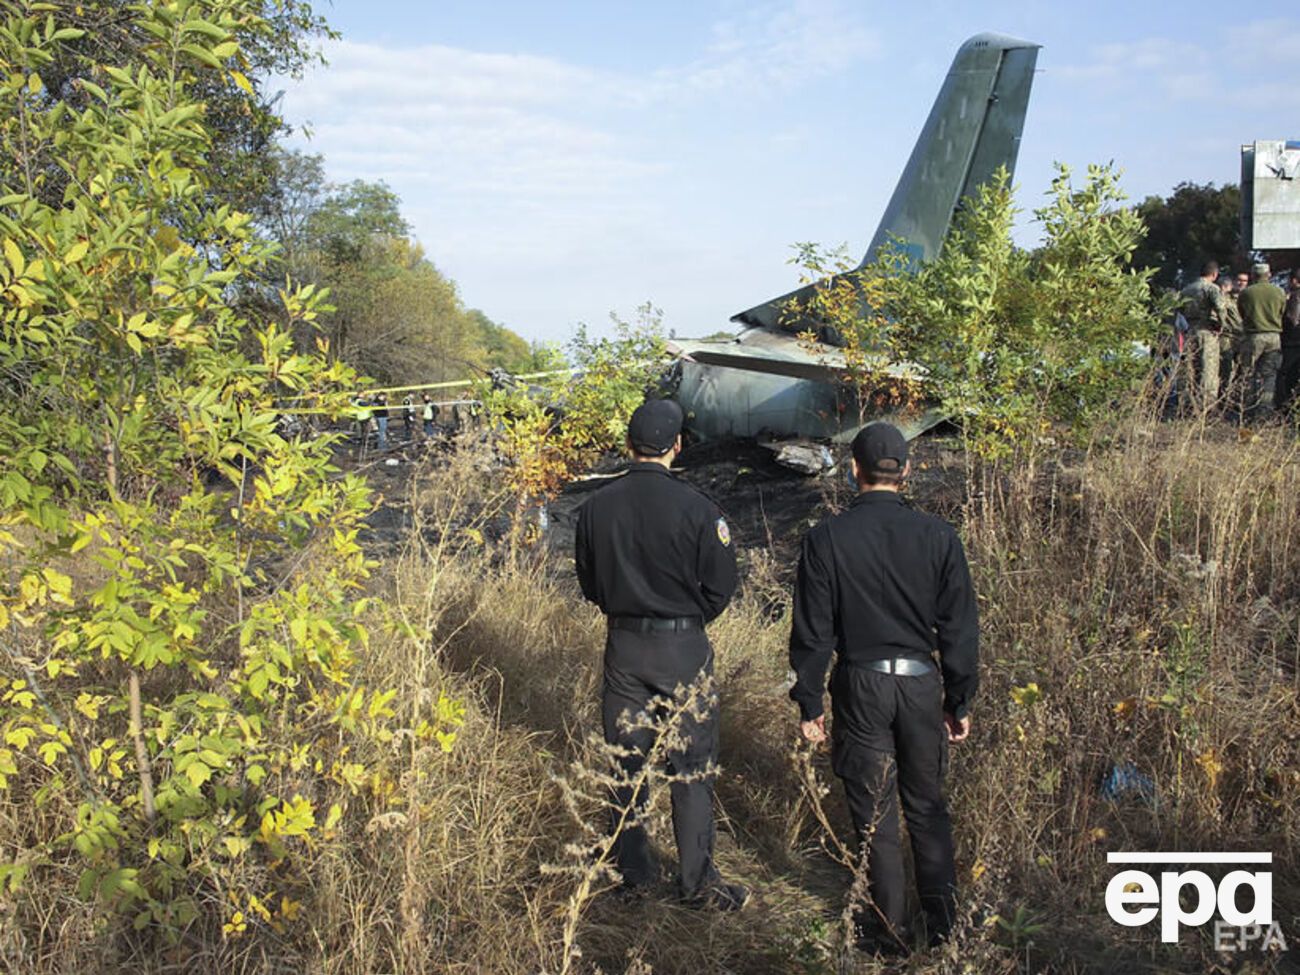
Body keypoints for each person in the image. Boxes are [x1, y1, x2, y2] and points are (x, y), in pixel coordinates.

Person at [789, 422, 978, 953]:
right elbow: (960, 629)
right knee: (927, 807)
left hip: (860, 685)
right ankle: (945, 931)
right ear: (908, 472)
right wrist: (959, 699)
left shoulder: (826, 538)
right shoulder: (939, 537)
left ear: (854, 471)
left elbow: (812, 632)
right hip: (921, 684)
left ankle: (887, 934)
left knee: (875, 812)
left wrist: (809, 700)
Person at [574, 398, 748, 911]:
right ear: (678, 446)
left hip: (624, 647)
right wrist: (687, 623)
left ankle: (635, 875)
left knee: (627, 765)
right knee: (691, 768)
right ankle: (697, 883)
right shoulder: (699, 509)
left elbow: (589, 584)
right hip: (683, 649)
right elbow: (721, 587)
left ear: (629, 445)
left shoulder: (594, 507)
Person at [1236, 263, 1286, 417]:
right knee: (1269, 375)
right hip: (1274, 336)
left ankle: (1249, 409)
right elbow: (1282, 312)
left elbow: (1241, 313)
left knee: (1248, 373)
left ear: (1252, 275)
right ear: (1269, 274)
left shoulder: (1246, 293)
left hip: (1253, 336)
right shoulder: (1279, 292)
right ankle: (1265, 409)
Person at [1177, 260, 1226, 407]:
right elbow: (1220, 308)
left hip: (1189, 331)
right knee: (1208, 368)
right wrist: (1221, 324)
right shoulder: (1211, 288)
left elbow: (1179, 310)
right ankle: (1206, 404)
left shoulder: (1186, 289)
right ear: (1214, 274)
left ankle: (1186, 402)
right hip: (1206, 331)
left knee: (1190, 368)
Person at [1277, 269, 1300, 413]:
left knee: (1287, 375)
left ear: (1294, 281)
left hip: (1293, 342)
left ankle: (1288, 408)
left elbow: (1292, 319)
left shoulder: (1296, 296)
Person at [1218, 275, 1242, 393]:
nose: (1241, 283)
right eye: (1239, 280)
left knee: (1242, 370)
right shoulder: (1225, 298)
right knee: (1225, 368)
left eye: (1244, 281)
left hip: (1243, 338)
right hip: (1227, 337)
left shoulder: (1248, 298)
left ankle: (1237, 396)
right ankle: (1223, 395)